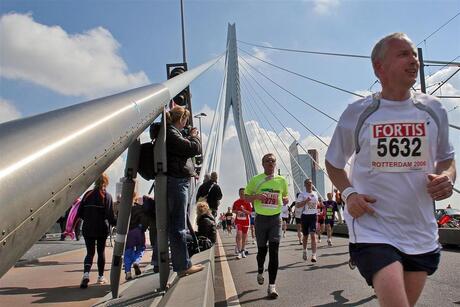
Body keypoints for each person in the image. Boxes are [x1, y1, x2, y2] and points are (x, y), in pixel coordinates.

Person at [325, 32, 456, 307]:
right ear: (379, 67)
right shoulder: (358, 113)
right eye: (404, 54)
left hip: (419, 230)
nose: (414, 60)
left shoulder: (434, 110)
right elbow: (334, 163)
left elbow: (447, 159)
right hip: (373, 227)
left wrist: (447, 177)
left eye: (414, 54)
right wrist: (349, 195)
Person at [166, 105, 204, 277]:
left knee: (178, 224)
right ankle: (183, 266)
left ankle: (182, 263)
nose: (187, 124)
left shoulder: (173, 133)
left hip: (177, 181)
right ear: (182, 119)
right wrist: (194, 137)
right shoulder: (172, 133)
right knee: (178, 226)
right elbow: (192, 148)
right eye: (186, 120)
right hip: (177, 182)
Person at [245, 153, 289, 299]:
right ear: (263, 164)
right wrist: (256, 197)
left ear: (275, 164)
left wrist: (286, 199)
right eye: (267, 161)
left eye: (273, 161)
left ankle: (272, 286)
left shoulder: (281, 180)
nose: (270, 163)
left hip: (276, 219)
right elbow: (245, 197)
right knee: (262, 252)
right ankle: (259, 269)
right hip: (261, 220)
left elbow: (286, 196)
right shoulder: (255, 180)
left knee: (274, 251)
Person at [77, 173, 116, 289]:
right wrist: (117, 223)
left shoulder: (87, 195)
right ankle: (100, 276)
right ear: (106, 182)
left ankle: (86, 274)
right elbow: (110, 216)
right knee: (101, 252)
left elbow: (80, 213)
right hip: (101, 229)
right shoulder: (107, 196)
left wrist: (89, 219)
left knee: (90, 253)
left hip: (88, 228)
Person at [124, 193, 149, 281]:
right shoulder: (139, 208)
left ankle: (128, 272)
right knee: (140, 249)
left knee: (127, 253)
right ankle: (136, 261)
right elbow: (145, 219)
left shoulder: (124, 209)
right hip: (138, 231)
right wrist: (143, 228)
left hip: (128, 233)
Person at [296, 179, 320, 263]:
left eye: (311, 183)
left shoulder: (315, 193)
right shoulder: (302, 194)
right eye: (308, 183)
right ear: (305, 185)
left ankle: (314, 255)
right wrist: (306, 201)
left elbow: (317, 205)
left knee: (313, 235)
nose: (310, 184)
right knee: (305, 236)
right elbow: (297, 205)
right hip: (305, 216)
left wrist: (320, 208)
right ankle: (304, 250)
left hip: (313, 216)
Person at [232, 188, 252, 259]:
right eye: (240, 193)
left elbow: (250, 213)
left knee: (244, 237)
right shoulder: (236, 202)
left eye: (243, 194)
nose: (242, 195)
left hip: (246, 222)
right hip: (238, 221)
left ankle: (243, 250)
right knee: (239, 234)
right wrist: (236, 211)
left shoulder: (248, 202)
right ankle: (239, 251)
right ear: (239, 194)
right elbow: (233, 211)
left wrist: (243, 210)